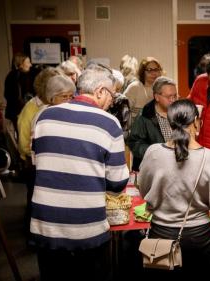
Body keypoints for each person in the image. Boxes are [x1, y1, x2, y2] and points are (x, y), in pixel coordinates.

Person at [30, 67, 129, 281]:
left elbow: (38, 162)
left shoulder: (44, 116)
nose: (112, 101)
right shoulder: (109, 123)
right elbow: (117, 182)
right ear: (101, 91)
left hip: (46, 225)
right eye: (112, 95)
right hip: (86, 227)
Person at [138, 99, 210, 280]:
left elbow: (144, 192)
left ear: (169, 121)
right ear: (196, 121)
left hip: (160, 235)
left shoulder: (153, 152)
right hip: (200, 238)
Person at [18, 70, 75, 240]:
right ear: (51, 97)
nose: (69, 101)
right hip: (45, 171)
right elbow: (35, 151)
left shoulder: (63, 113)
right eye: (64, 96)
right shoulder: (41, 115)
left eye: (71, 96)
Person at [127, 76, 177, 171]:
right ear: (157, 97)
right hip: (152, 169)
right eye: (169, 97)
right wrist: (158, 151)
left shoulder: (179, 113)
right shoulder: (144, 116)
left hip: (175, 167)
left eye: (175, 96)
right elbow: (134, 144)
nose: (173, 100)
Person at [4, 52, 33, 130]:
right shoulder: (20, 76)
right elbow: (18, 97)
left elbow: (7, 95)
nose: (31, 65)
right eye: (28, 62)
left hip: (14, 112)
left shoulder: (11, 75)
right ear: (20, 64)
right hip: (20, 112)